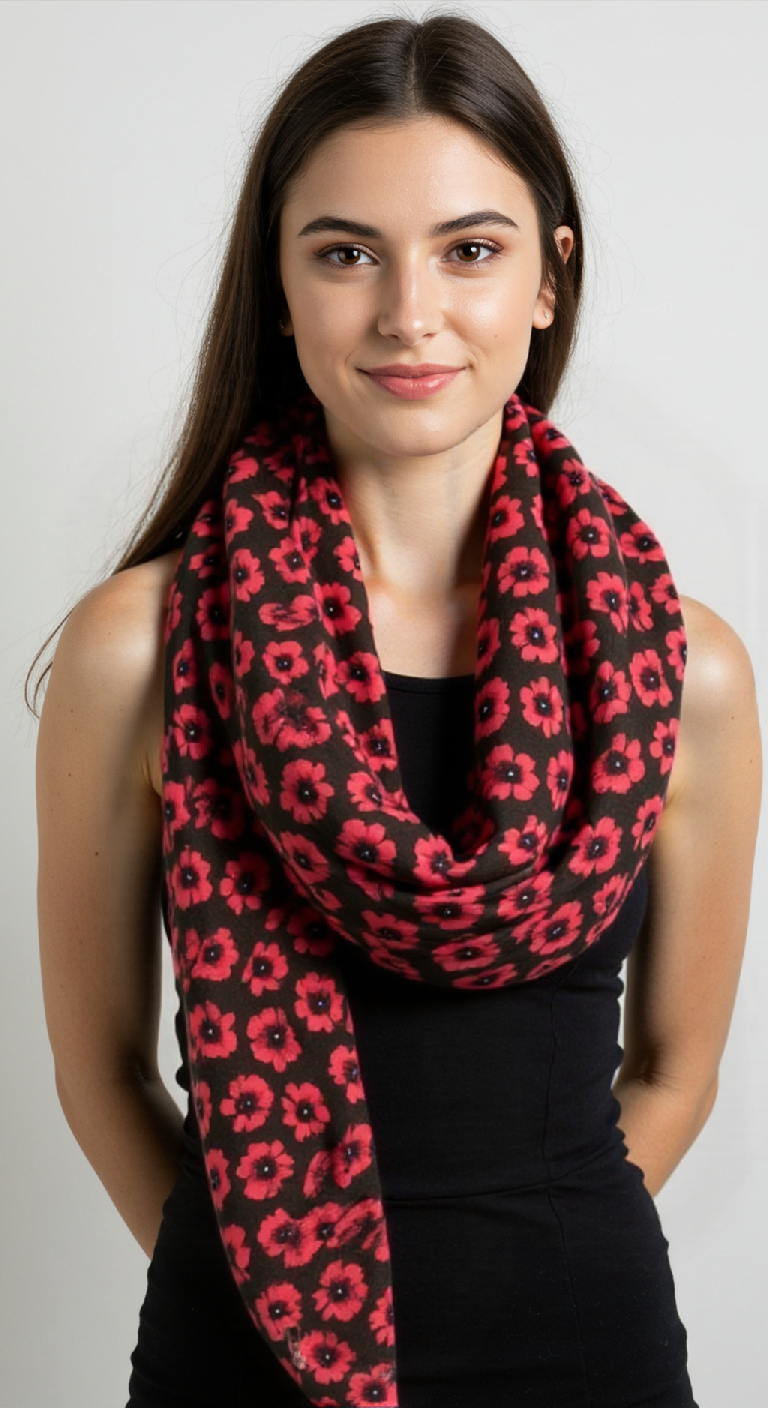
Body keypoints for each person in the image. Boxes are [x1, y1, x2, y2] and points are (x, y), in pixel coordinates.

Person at [31, 13, 761, 1408]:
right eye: (346, 252)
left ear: (549, 279)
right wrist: (287, 1285)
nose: (409, 313)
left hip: (587, 1358)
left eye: (470, 250)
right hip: (244, 1360)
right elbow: (101, 1071)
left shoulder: (687, 668)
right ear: (278, 285)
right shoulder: (141, 646)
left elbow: (677, 1070)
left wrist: (519, 1263)